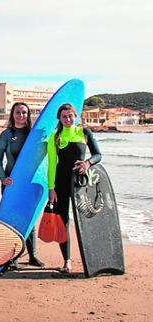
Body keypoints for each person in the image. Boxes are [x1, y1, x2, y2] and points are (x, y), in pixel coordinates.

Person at [48, 103, 102, 273]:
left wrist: (88, 163)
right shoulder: (55, 136)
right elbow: (52, 165)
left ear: (76, 116)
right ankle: (67, 262)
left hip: (81, 184)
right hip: (61, 183)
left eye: (70, 116)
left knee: (87, 220)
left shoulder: (84, 133)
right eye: (64, 116)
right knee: (63, 221)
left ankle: (94, 259)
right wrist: (51, 188)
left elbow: (98, 155)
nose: (68, 119)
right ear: (60, 118)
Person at [0, 102, 44, 267]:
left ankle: (33, 256)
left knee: (29, 218)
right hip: (11, 184)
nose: (21, 115)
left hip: (29, 184)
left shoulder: (33, 135)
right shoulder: (7, 135)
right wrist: (3, 178)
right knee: (11, 220)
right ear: (12, 114)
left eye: (24, 112)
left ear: (28, 115)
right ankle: (13, 257)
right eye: (18, 112)